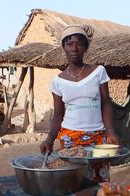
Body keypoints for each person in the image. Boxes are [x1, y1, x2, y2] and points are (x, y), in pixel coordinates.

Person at [40, 24, 118, 154]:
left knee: (98, 173)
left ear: (85, 48)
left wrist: (110, 132)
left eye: (79, 44)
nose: (74, 48)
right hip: (69, 135)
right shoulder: (58, 81)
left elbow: (106, 103)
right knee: (72, 173)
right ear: (64, 47)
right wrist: (49, 140)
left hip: (97, 134)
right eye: (69, 44)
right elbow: (58, 114)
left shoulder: (98, 72)